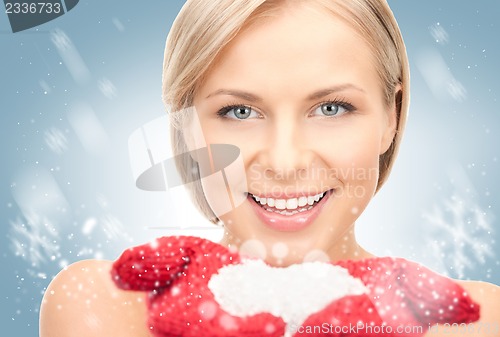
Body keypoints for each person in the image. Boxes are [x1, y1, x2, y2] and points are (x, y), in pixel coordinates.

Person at [39, 0, 500, 336]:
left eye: (332, 109)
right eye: (239, 112)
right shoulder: (106, 304)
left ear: (391, 117)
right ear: (186, 129)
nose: (284, 162)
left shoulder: (475, 320)